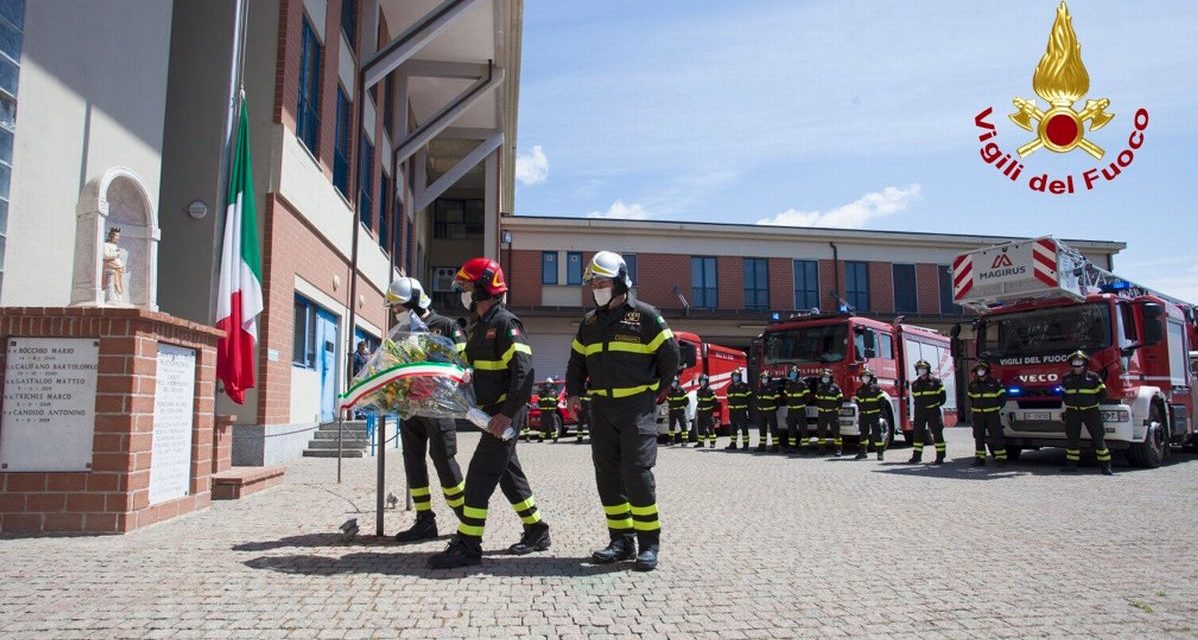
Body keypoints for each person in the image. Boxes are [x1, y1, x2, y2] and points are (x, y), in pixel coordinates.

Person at [428, 258, 551, 569]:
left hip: (504, 414)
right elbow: (470, 366)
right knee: (508, 474)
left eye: (467, 286)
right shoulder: (480, 325)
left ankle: (468, 545)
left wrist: (506, 415)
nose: (463, 292)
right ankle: (537, 530)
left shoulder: (506, 324)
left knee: (479, 475)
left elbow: (524, 372)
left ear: (484, 287)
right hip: (490, 413)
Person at [566, 251, 679, 572]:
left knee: (637, 474)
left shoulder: (646, 316)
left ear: (620, 283)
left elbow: (670, 354)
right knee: (608, 477)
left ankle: (648, 545)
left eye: (602, 283)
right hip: (601, 408)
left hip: (636, 408)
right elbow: (577, 361)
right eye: (593, 284)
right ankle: (621, 541)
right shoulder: (590, 322)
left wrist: (660, 388)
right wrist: (573, 393)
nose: (597, 289)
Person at [381, 277, 468, 543]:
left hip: (438, 407)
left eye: (399, 307)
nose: (397, 312)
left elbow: (463, 363)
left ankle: (467, 521)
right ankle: (424, 521)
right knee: (413, 461)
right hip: (410, 408)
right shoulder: (402, 332)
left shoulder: (446, 326)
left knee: (444, 460)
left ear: (416, 302)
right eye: (394, 308)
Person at [1060, 351, 1112, 475]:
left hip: (1091, 411)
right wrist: (1069, 404)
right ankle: (1071, 465)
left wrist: (1094, 404)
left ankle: (1106, 466)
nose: (1077, 366)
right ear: (1071, 364)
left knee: (1098, 438)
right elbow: (1063, 394)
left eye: (1080, 362)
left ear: (1085, 364)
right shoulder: (1066, 378)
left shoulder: (1093, 377)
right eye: (1075, 362)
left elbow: (1103, 393)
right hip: (1073, 412)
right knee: (1072, 438)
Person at [967, 361, 1008, 467]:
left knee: (997, 437)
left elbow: (1002, 398)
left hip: (992, 414)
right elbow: (971, 398)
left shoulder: (995, 383)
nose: (980, 371)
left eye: (982, 369)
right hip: (978, 415)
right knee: (978, 437)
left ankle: (1000, 459)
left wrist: (996, 408)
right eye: (978, 370)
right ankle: (980, 459)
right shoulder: (973, 384)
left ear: (987, 371)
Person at [908, 359, 947, 464]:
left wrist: (935, 406)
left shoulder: (936, 382)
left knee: (937, 433)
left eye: (923, 368)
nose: (921, 370)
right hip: (920, 411)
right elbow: (915, 398)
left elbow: (942, 398)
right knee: (918, 434)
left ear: (927, 369)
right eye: (919, 368)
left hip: (933, 411)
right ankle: (916, 456)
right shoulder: (915, 384)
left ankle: (940, 456)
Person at [853, 368, 887, 461]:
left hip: (874, 414)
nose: (865, 378)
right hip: (863, 415)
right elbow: (857, 401)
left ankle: (880, 453)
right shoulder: (859, 390)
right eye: (863, 376)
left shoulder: (876, 388)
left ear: (871, 377)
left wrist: (879, 412)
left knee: (877, 434)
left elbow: (882, 401)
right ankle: (863, 453)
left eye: (867, 376)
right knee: (863, 434)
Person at [814, 368, 844, 456]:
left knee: (836, 432)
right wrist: (819, 407)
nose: (825, 378)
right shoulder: (819, 387)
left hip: (833, 413)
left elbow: (840, 399)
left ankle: (838, 450)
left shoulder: (835, 387)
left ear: (830, 377)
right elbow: (817, 399)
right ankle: (821, 450)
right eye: (823, 376)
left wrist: (839, 408)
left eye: (827, 376)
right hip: (822, 413)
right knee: (821, 432)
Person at [783, 366, 810, 454]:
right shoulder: (787, 384)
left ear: (797, 374)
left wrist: (801, 403)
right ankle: (792, 447)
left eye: (794, 373)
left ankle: (805, 447)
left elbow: (807, 397)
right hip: (791, 410)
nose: (792, 374)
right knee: (791, 429)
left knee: (803, 429)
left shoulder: (802, 384)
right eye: (791, 373)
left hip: (800, 410)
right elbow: (785, 396)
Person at [725, 370, 752, 450]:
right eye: (734, 376)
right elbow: (728, 398)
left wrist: (747, 410)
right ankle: (733, 444)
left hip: (741, 410)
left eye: (737, 376)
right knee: (733, 428)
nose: (735, 377)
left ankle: (745, 444)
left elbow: (750, 399)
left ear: (740, 377)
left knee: (744, 427)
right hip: (732, 411)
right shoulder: (730, 387)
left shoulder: (745, 386)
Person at [756, 372, 781, 452]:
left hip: (770, 412)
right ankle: (762, 446)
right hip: (761, 412)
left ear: (769, 379)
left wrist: (773, 409)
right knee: (762, 429)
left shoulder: (773, 388)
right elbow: (758, 400)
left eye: (765, 378)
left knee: (773, 429)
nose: (764, 379)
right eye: (763, 378)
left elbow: (777, 401)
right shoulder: (760, 388)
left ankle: (775, 447)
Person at [694, 374, 718, 448]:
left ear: (707, 381)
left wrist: (711, 409)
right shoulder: (698, 391)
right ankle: (700, 443)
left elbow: (715, 402)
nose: (702, 382)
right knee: (700, 428)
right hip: (700, 412)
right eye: (701, 381)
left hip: (708, 413)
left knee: (711, 428)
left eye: (704, 381)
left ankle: (712, 443)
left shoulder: (710, 390)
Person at [666, 378, 689, 445]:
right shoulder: (669, 390)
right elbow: (668, 399)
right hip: (672, 410)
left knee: (683, 425)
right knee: (671, 426)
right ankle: (671, 440)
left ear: (677, 382)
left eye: (675, 382)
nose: (673, 384)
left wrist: (682, 406)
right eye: (672, 382)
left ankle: (685, 440)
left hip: (680, 410)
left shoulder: (681, 390)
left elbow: (686, 400)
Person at [537, 377, 561, 443]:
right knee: (543, 425)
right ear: (545, 384)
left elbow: (557, 401)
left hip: (551, 411)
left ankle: (555, 438)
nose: (548, 385)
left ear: (552, 384)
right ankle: (541, 438)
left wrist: (554, 407)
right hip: (544, 411)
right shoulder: (542, 393)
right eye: (547, 384)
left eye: (549, 384)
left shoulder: (554, 393)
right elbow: (539, 401)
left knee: (553, 424)